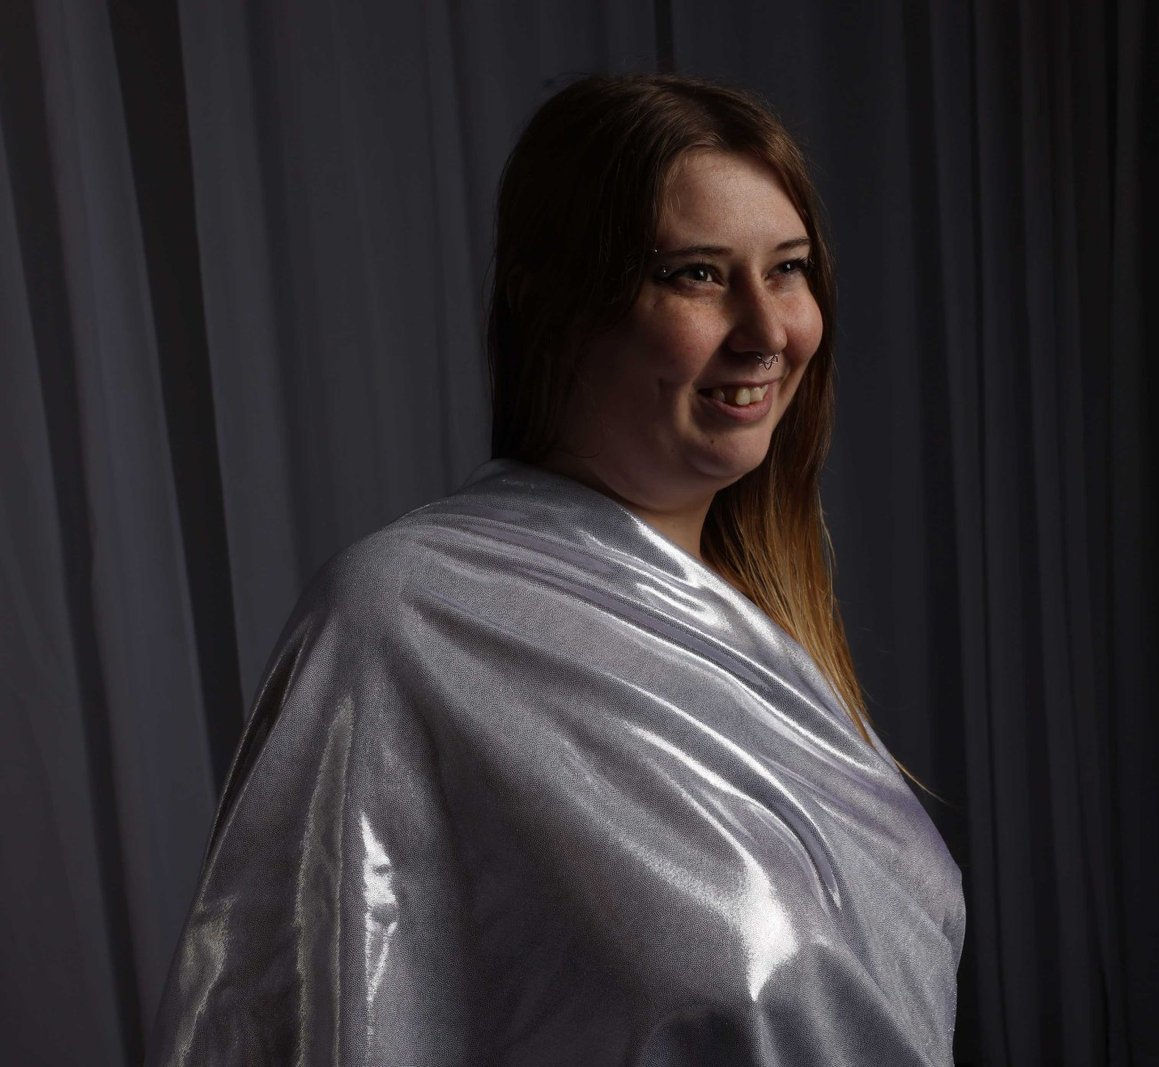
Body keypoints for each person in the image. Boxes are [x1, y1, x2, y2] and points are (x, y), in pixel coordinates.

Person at [149, 72, 965, 1065]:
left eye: (787, 269)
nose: (766, 331)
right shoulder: (404, 620)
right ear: (560, 306)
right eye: (697, 275)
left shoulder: (765, 638)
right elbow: (285, 1026)